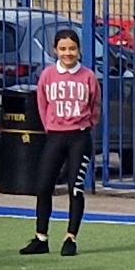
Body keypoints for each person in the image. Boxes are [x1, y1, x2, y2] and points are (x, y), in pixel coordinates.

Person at [21, 27, 100, 252]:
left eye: (72, 48)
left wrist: (86, 125)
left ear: (79, 50)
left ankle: (70, 238)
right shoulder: (47, 76)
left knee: (75, 188)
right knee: (43, 186)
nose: (68, 53)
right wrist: (51, 126)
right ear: (55, 50)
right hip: (55, 136)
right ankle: (41, 238)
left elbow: (95, 106)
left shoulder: (88, 77)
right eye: (63, 49)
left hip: (79, 138)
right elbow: (42, 103)